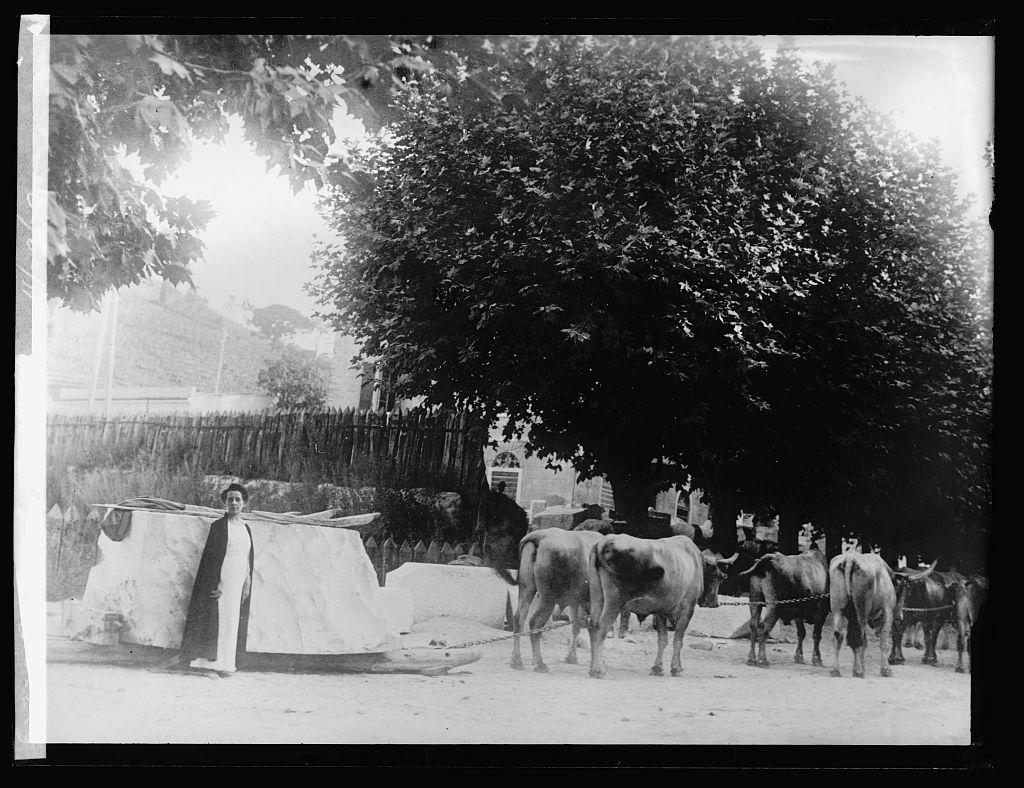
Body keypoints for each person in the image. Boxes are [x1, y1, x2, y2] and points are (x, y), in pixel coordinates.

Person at [178, 483, 255, 678]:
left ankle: (226, 664)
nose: (234, 503)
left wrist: (247, 583)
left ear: (244, 503)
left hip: (239, 579)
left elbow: (247, 557)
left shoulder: (246, 528)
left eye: (238, 499)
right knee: (217, 618)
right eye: (230, 499)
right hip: (222, 578)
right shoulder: (219, 527)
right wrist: (216, 583)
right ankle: (207, 662)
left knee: (232, 620)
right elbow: (211, 559)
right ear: (224, 503)